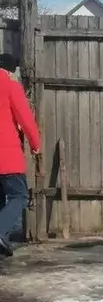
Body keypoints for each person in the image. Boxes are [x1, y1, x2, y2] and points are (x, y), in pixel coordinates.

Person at [0, 53, 41, 257]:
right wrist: (36, 144)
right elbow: (25, 119)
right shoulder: (10, 86)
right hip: (6, 157)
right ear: (9, 69)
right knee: (19, 195)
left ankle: (2, 241)